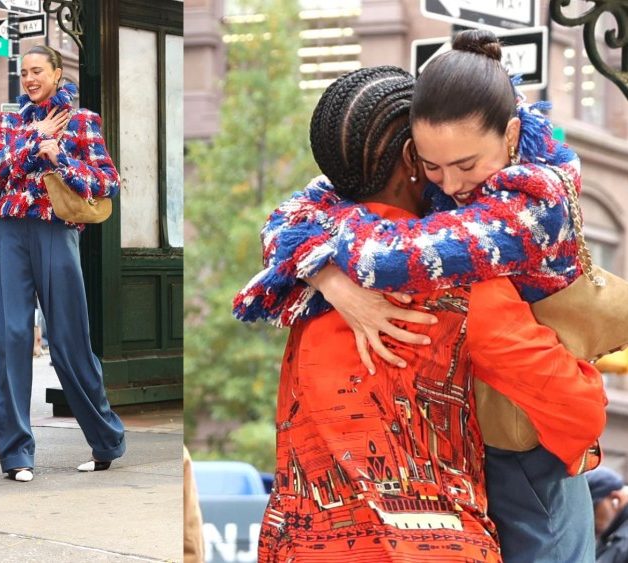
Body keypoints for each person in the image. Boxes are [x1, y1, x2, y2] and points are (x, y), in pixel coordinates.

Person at [235, 30, 601, 563]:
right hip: (435, 541)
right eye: (434, 167)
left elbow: (285, 224)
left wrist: (330, 278)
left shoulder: (307, 282)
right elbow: (580, 411)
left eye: (466, 165)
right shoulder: (466, 279)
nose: (452, 186)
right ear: (413, 154)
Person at [0, 44, 124, 481]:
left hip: (57, 231)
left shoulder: (83, 122)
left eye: (37, 70)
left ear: (58, 74)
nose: (29, 79)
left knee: (69, 340)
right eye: (24, 72)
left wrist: (59, 157)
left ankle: (106, 440)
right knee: (10, 338)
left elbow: (108, 182)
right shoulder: (11, 120)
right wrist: (33, 137)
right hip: (11, 233)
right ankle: (16, 454)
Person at [585, 466, 628, 562]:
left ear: (615, 498)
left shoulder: (623, 541)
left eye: (593, 509)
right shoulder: (612, 535)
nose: (590, 521)